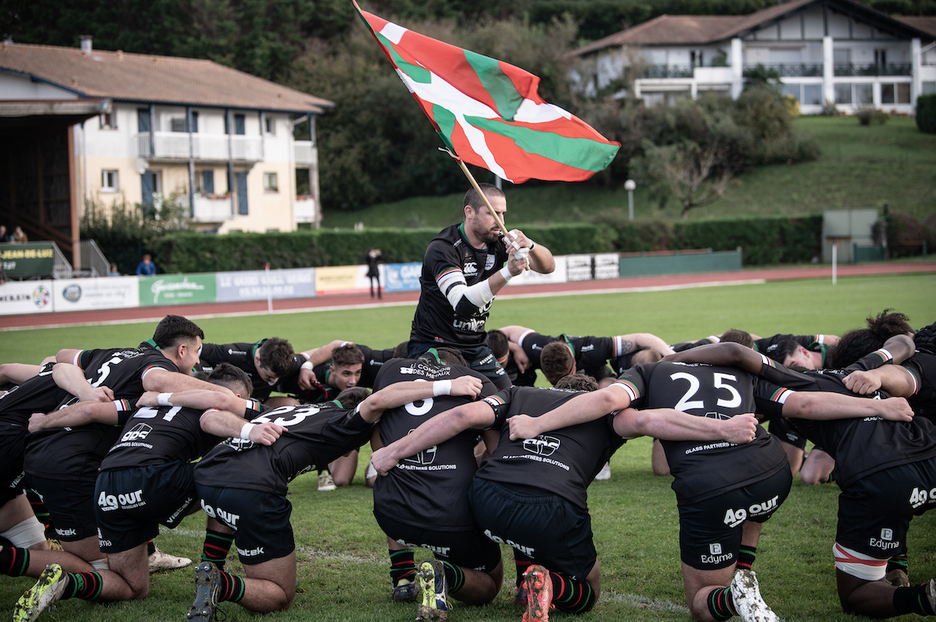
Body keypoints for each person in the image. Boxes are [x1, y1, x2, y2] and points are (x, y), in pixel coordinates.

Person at [372, 374, 760, 622]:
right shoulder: (605, 414)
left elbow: (458, 418)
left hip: (486, 496)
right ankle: (549, 585)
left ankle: (449, 574)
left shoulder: (518, 393)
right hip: (552, 502)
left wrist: (394, 451)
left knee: (508, 547)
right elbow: (646, 420)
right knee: (589, 591)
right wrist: (723, 429)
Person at [664, 339, 934, 619]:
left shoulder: (789, 380)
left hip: (878, 472)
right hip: (927, 449)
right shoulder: (859, 371)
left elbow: (734, 353)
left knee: (858, 594)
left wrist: (669, 359)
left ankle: (924, 596)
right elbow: (902, 342)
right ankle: (897, 564)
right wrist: (879, 376)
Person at [184, 375, 486, 621]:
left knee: (226, 503)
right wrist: (449, 386)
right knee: (279, 594)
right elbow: (378, 399)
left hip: (208, 474)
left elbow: (212, 415)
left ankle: (209, 565)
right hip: (252, 488)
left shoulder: (296, 410)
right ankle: (221, 583)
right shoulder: (346, 420)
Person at [11, 365, 283, 621]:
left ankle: (67, 582)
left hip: (107, 483)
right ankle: (211, 569)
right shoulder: (216, 405)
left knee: (132, 587)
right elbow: (218, 418)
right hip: (150, 477)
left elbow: (91, 410)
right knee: (230, 482)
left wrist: (46, 421)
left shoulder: (147, 399)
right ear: (235, 396)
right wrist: (253, 423)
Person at [369, 348, 501, 614]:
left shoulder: (391, 370)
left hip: (392, 514)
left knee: (397, 475)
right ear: (458, 368)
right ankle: (447, 574)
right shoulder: (477, 381)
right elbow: (496, 454)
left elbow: (376, 433)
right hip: (452, 518)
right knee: (491, 585)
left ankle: (403, 576)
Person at [408, 183, 555, 389]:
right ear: (469, 212)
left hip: (476, 345)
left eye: (503, 214)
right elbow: (463, 305)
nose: (501, 222)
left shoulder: (498, 241)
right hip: (434, 345)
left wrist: (529, 244)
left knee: (508, 400)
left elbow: (548, 267)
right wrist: (508, 272)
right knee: (453, 408)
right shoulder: (443, 248)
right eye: (493, 213)